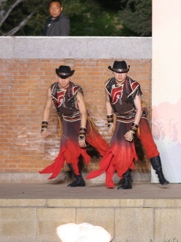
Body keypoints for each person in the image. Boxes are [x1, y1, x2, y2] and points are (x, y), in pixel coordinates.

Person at [87, 61, 169, 189]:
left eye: (123, 72)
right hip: (121, 118)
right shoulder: (108, 85)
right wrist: (110, 122)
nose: (120, 75)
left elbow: (139, 109)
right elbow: (108, 102)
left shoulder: (133, 85)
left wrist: (132, 130)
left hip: (137, 117)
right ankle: (126, 181)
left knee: (149, 143)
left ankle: (160, 176)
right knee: (120, 150)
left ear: (126, 72)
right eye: (117, 72)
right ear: (113, 72)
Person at [39, 65, 109, 186]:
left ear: (70, 77)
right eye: (61, 77)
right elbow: (47, 108)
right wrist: (44, 126)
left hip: (82, 121)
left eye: (66, 77)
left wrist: (82, 134)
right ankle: (78, 179)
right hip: (67, 123)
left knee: (101, 145)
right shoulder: (53, 89)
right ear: (57, 76)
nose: (63, 80)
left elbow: (83, 113)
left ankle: (124, 172)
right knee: (67, 152)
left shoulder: (75, 91)